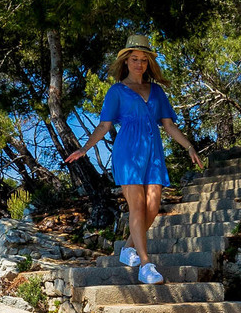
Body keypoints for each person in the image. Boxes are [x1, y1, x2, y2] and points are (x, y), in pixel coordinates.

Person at [64, 36, 203, 283]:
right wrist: (84, 149)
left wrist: (189, 146)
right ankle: (145, 265)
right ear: (126, 61)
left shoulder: (157, 91)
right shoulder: (117, 91)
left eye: (143, 60)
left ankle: (128, 248)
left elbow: (169, 125)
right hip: (127, 151)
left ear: (148, 63)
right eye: (134, 59)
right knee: (137, 207)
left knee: (152, 207)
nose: (139, 64)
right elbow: (104, 125)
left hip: (154, 153)